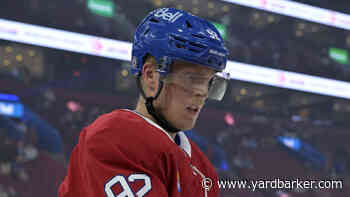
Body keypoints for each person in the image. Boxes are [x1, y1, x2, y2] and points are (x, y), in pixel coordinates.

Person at [58, 7, 229, 197]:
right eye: (192, 78)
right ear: (151, 76)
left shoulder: (203, 167)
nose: (202, 93)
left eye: (210, 82)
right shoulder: (112, 139)